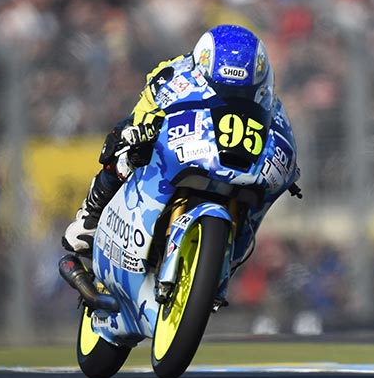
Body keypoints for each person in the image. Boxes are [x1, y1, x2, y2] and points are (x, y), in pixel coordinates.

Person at [62, 24, 299, 259]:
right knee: (124, 148)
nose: (235, 95)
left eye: (242, 91)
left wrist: (288, 164)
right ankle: (90, 217)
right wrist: (141, 130)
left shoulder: (268, 100)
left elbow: (282, 130)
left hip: (230, 156)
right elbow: (146, 107)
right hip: (185, 139)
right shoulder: (174, 73)